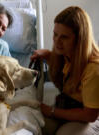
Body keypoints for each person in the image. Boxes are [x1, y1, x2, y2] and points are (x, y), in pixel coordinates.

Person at [31, 6, 99, 135]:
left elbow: (90, 115)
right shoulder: (66, 56)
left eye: (64, 37)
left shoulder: (94, 70)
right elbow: (56, 61)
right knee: (33, 124)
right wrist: (45, 54)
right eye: (55, 34)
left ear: (80, 39)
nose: (57, 41)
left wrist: (51, 111)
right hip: (69, 108)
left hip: (90, 118)